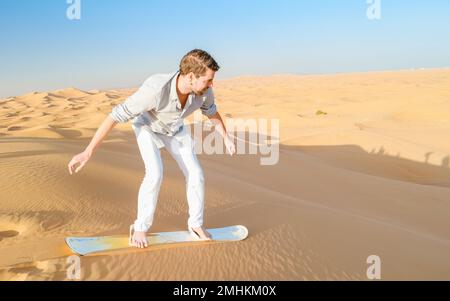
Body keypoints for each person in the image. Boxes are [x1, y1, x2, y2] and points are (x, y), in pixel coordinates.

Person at [67, 49, 236, 248]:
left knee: (196, 173)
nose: (211, 84)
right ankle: (140, 227)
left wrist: (226, 137)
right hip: (147, 128)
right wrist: (88, 151)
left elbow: (212, 113)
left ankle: (196, 225)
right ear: (191, 76)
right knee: (155, 173)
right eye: (208, 80)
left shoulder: (204, 92)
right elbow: (115, 115)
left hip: (175, 129)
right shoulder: (155, 89)